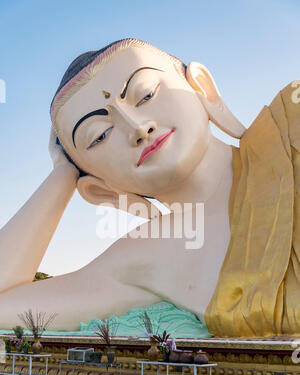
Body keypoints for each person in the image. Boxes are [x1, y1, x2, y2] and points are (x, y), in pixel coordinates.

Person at [0, 38, 298, 337]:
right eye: (99, 136)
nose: (138, 128)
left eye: (145, 94)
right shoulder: (144, 255)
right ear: (100, 189)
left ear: (202, 87)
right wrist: (62, 176)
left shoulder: (293, 123)